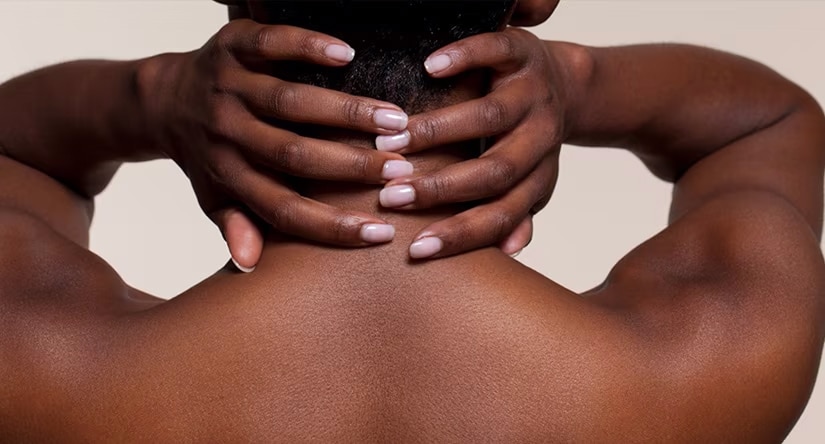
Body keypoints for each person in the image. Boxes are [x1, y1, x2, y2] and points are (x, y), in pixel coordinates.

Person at [0, 0, 823, 441]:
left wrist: (150, 94)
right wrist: (579, 81)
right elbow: (768, 122)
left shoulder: (45, 366)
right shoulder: (709, 359)